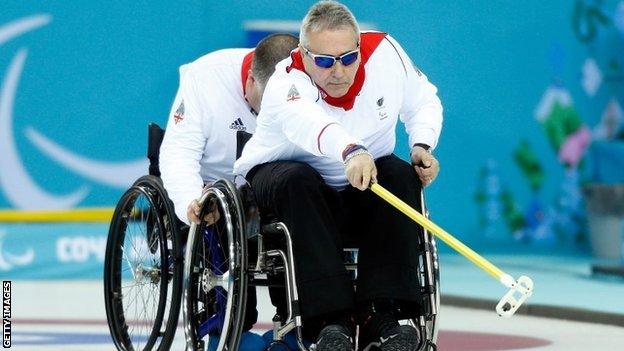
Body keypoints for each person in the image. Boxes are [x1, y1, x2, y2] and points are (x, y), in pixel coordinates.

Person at [233, 1, 443, 351]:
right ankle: (330, 321)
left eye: (348, 58)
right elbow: (313, 126)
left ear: (359, 48)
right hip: (280, 183)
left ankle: (383, 317)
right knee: (296, 179)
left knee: (400, 175)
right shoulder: (287, 81)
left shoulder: (387, 55)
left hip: (358, 182)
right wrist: (351, 151)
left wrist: (422, 143)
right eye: (325, 62)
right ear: (303, 54)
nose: (339, 72)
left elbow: (423, 101)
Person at [159, 33, 299, 351]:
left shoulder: (305, 80)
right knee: (221, 201)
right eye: (264, 106)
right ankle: (227, 328)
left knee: (298, 198)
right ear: (250, 80)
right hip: (218, 189)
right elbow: (178, 151)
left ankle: (295, 325)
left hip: (270, 185)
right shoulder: (206, 78)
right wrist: (190, 199)